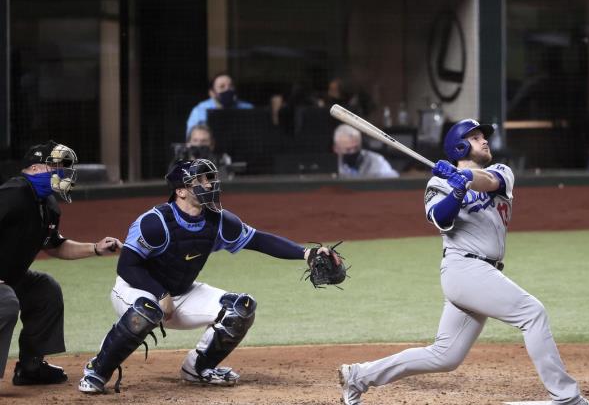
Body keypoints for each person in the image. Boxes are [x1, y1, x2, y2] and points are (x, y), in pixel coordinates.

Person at [338, 120, 589, 405]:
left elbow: (488, 182)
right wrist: (456, 190)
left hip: (481, 273)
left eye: (483, 137)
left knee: (445, 355)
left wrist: (463, 177)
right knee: (532, 313)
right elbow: (441, 219)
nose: (485, 141)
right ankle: (566, 397)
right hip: (463, 269)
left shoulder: (501, 171)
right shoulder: (437, 184)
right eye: (476, 137)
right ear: (460, 146)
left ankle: (358, 376)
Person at [77, 158, 339, 394]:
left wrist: (306, 253)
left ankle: (197, 368)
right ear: (180, 191)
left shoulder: (218, 221)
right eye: (200, 180)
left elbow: (259, 240)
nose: (209, 184)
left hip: (182, 294)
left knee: (240, 308)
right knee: (147, 310)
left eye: (210, 178)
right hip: (135, 291)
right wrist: (160, 293)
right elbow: (127, 267)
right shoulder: (155, 222)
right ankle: (97, 370)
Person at [1, 141, 121, 387]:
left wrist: (95, 248)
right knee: (5, 302)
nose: (62, 174)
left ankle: (31, 366)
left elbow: (55, 245)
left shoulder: (47, 205)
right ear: (34, 168)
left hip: (9, 278)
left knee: (44, 289)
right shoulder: (13, 194)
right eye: (56, 168)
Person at [185, 73, 253, 138]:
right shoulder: (200, 110)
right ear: (212, 93)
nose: (227, 89)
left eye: (231, 86)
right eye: (222, 87)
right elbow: (191, 139)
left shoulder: (247, 108)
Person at [333, 124, 399, 179]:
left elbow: (393, 180)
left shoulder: (375, 160)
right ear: (336, 149)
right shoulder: (329, 165)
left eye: (356, 148)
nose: (353, 152)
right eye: (348, 149)